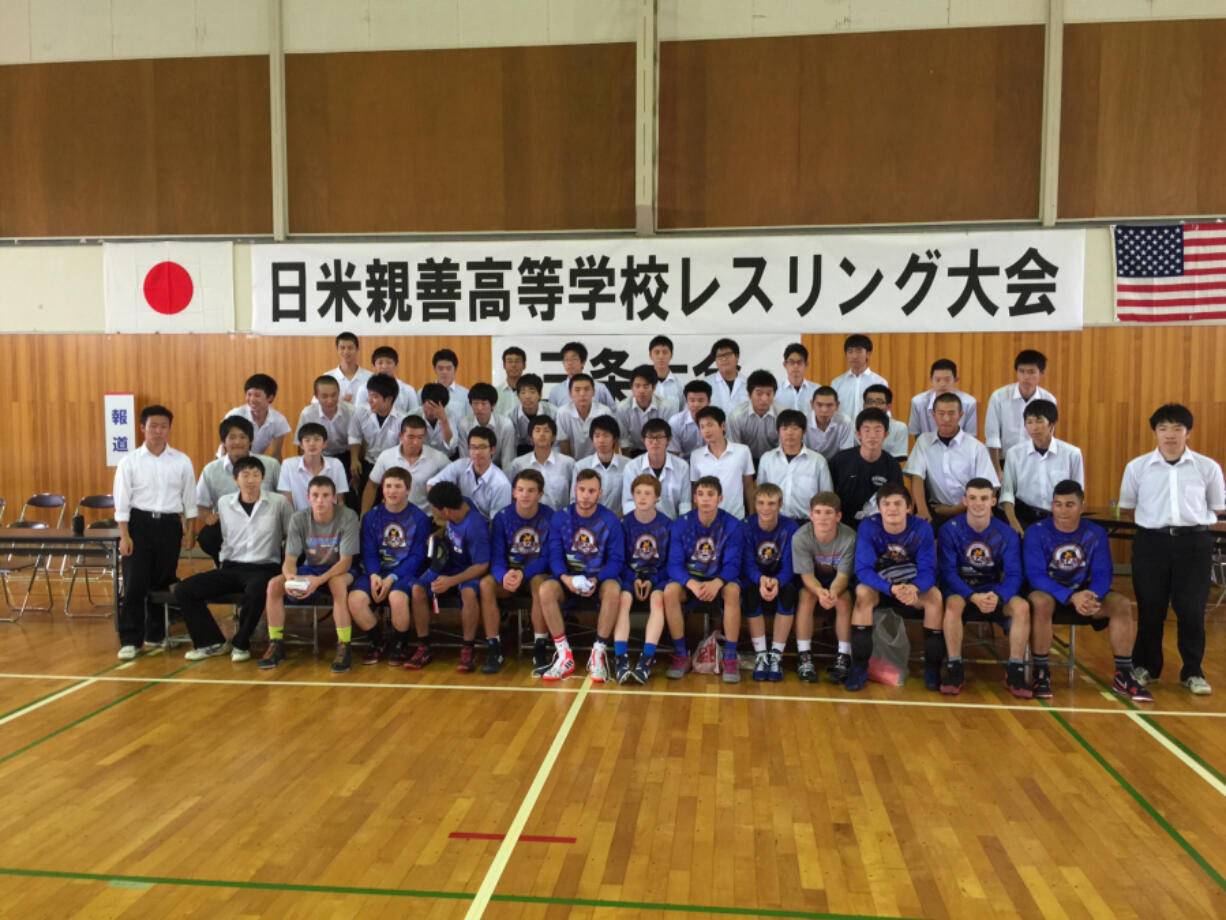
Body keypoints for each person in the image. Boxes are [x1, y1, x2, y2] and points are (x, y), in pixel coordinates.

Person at [1120, 404, 1225, 695]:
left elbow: (1217, 508)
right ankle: (1147, 667)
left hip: (1194, 544)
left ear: (1188, 432)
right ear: (1155, 432)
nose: (1170, 435)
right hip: (1151, 543)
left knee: (1191, 610)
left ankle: (1193, 670)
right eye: (1163, 428)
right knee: (1150, 608)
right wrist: (1157, 526)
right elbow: (1128, 509)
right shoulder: (1137, 467)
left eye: (1177, 428)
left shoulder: (1207, 467)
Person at [1025, 480, 1151, 702]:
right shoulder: (1036, 532)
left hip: (1084, 594)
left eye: (1070, 504)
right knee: (1040, 602)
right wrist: (1070, 596)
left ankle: (1124, 674)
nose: (1063, 510)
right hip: (1052, 593)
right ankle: (1041, 672)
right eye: (1058, 504)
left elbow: (1103, 573)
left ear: (1082, 507)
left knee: (1121, 604)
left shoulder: (1096, 533)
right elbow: (1036, 576)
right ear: (1052, 506)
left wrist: (1091, 595)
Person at [173, 456, 292, 662]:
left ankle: (241, 643)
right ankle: (212, 642)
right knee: (184, 589)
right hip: (230, 567)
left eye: (256, 474)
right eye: (245, 475)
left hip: (264, 567)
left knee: (257, 591)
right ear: (236, 479)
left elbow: (291, 534)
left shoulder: (278, 502)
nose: (251, 480)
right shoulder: (224, 503)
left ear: (263, 478)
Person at [113, 405, 196, 659]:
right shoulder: (129, 462)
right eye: (153, 426)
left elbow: (190, 501)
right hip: (139, 523)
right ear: (142, 428)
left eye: (164, 427)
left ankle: (156, 635)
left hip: (169, 525)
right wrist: (124, 535)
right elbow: (122, 503)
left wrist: (190, 532)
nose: (159, 432)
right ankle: (130, 640)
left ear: (170, 429)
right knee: (135, 582)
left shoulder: (181, 460)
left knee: (163, 582)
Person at [937, 478, 1030, 697]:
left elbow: (1015, 574)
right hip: (961, 589)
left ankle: (1015, 669)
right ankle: (954, 666)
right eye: (973, 498)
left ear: (993, 501)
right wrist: (971, 596)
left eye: (984, 498)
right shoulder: (949, 530)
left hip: (993, 589)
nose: (978, 503)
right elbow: (948, 572)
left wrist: (999, 595)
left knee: (1022, 608)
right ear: (965, 501)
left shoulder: (1006, 533)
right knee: (952, 605)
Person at [848, 483, 941, 692]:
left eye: (898, 503)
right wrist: (890, 588)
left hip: (910, 585)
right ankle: (859, 666)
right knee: (862, 594)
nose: (892, 509)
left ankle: (933, 668)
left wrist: (915, 588)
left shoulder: (922, 527)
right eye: (886, 504)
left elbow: (929, 570)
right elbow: (863, 570)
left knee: (935, 598)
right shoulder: (868, 526)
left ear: (909, 507)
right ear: (879, 508)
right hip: (881, 585)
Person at [259, 475, 359, 672]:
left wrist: (318, 581)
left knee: (337, 584)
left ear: (334, 498)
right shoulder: (299, 518)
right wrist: (291, 579)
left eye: (325, 495)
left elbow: (346, 562)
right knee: (274, 586)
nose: (320, 500)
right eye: (315, 495)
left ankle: (344, 645)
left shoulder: (348, 516)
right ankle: (276, 643)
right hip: (311, 568)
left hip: (340, 569)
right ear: (308, 497)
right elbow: (289, 559)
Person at [538, 469, 625, 682]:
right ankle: (563, 654)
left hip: (599, 579)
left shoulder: (610, 520)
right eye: (582, 490)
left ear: (600, 493)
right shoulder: (561, 518)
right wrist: (565, 579)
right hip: (569, 578)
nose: (586, 495)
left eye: (591, 491)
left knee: (614, 590)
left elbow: (616, 560)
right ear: (575, 490)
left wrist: (598, 579)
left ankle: (598, 653)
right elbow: (555, 555)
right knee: (545, 590)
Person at [348, 468, 430, 667]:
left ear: (408, 490)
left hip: (405, 572)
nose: (392, 491)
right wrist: (375, 574)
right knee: (355, 600)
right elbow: (369, 551)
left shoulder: (419, 518)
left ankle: (400, 644)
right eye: (388, 486)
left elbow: (418, 556)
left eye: (398, 486)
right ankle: (377, 641)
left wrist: (392, 577)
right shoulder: (371, 517)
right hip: (378, 570)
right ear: (382, 489)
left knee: (397, 598)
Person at [666, 476, 743, 683]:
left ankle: (730, 656)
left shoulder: (733, 525)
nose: (705, 499)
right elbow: (674, 564)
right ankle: (681, 654)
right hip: (691, 581)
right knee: (670, 592)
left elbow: (733, 565)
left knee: (733, 592)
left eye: (710, 495)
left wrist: (717, 583)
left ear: (720, 498)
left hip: (719, 580)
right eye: (701, 494)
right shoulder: (681, 525)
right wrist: (690, 583)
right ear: (695, 499)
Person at [412, 482, 491, 673]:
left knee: (469, 593)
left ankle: (468, 648)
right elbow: (449, 530)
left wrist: (451, 582)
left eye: (435, 511)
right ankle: (424, 645)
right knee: (417, 589)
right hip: (448, 564)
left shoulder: (475, 526)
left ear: (446, 511)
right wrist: (438, 534)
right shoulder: (462, 504)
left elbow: (482, 566)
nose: (434, 514)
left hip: (469, 570)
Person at [482, 470, 554, 675]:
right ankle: (494, 648)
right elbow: (496, 556)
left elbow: (548, 557)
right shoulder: (502, 517)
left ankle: (539, 649)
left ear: (540, 494)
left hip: (535, 573)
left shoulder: (550, 516)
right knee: (486, 584)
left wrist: (525, 573)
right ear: (513, 492)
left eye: (531, 491)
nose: (525, 495)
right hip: (509, 575)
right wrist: (503, 575)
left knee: (540, 585)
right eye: (521, 490)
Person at [195, 416, 280, 565]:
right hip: (228, 525)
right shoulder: (211, 470)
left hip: (264, 523)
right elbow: (199, 504)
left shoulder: (271, 465)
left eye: (243, 437)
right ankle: (222, 564)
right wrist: (208, 516)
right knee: (207, 536)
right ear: (224, 442)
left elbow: (283, 497)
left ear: (251, 440)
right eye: (232, 437)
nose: (238, 442)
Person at [903, 392, 997, 527]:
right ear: (933, 415)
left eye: (952, 413)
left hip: (970, 510)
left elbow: (988, 486)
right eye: (941, 414)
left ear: (961, 415)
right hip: (936, 510)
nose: (946, 419)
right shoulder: (924, 441)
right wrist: (922, 510)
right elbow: (916, 476)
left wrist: (954, 510)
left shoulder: (976, 447)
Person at [792, 492, 856, 683]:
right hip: (813, 581)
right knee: (806, 597)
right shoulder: (801, 537)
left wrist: (832, 594)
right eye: (818, 512)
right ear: (811, 515)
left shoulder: (849, 537)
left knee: (844, 600)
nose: (822, 518)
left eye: (828, 513)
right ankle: (804, 655)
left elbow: (843, 576)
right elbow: (807, 576)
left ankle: (844, 655)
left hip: (837, 581)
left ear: (838, 516)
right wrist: (820, 592)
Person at [615, 474, 673, 683]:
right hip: (629, 576)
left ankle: (646, 659)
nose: (642, 497)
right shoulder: (624, 524)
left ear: (657, 497)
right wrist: (633, 579)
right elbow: (618, 559)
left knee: (658, 600)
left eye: (648, 493)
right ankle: (620, 659)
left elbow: (671, 563)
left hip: (658, 578)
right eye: (638, 493)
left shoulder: (667, 525)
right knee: (623, 600)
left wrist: (653, 580)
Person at [741, 484, 798, 682]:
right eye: (761, 503)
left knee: (789, 594)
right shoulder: (746, 525)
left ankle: (776, 655)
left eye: (771, 503)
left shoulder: (790, 527)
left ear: (780, 504)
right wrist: (761, 580)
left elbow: (791, 564)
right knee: (749, 595)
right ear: (755, 504)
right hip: (754, 578)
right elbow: (747, 563)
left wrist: (777, 581)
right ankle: (761, 655)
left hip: (781, 577)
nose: (766, 508)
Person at [999, 399, 1084, 534]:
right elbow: (1007, 493)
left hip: (1058, 519)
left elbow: (1078, 494)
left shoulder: (1072, 454)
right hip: (1024, 518)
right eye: (1029, 422)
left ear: (1051, 423)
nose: (1034, 427)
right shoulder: (1014, 453)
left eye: (1039, 421)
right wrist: (1013, 522)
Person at [984, 348, 1057, 479]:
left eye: (1031, 372)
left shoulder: (1048, 399)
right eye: (1021, 371)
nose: (1026, 377)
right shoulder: (999, 397)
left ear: (1041, 373)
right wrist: (997, 471)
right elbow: (992, 437)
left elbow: (1048, 436)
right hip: (1004, 461)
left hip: (1035, 461)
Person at [829, 408, 904, 529]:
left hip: (878, 527)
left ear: (886, 434)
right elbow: (829, 495)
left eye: (878, 430)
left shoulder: (892, 465)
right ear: (858, 434)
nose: (872, 436)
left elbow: (896, 500)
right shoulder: (839, 461)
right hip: (841, 526)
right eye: (867, 430)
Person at [756, 409, 831, 523]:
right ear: (778, 431)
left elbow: (827, 496)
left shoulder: (818, 461)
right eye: (784, 428)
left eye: (795, 428)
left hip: (807, 522)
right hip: (774, 521)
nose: (789, 433)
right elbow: (761, 493)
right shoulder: (767, 459)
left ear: (804, 431)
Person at [364, 415, 450, 514]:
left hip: (425, 517)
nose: (415, 442)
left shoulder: (438, 458)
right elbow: (372, 485)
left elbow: (454, 482)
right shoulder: (386, 456)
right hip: (392, 515)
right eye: (411, 437)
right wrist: (364, 515)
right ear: (400, 436)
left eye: (420, 437)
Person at [427, 427, 512, 521]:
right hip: (456, 520)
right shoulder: (460, 465)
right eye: (473, 447)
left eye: (482, 447)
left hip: (483, 528)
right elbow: (431, 485)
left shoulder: (501, 484)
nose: (477, 452)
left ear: (492, 450)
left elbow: (497, 523)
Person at [689, 406, 755, 520]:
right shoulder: (696, 455)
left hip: (736, 517)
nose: (706, 430)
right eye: (702, 427)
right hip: (707, 518)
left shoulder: (742, 451)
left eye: (710, 425)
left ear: (723, 426)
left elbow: (748, 485)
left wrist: (753, 515)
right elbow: (694, 489)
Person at [347, 373, 404, 501]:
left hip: (392, 467)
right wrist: (354, 460)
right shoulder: (361, 412)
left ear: (388, 399)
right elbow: (354, 436)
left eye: (375, 397)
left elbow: (401, 451)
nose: (369, 400)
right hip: (369, 462)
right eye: (369, 395)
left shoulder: (402, 420)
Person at [620, 418, 691, 519]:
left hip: (673, 524)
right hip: (641, 524)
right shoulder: (632, 467)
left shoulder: (682, 466)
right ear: (644, 440)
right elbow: (628, 502)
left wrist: (681, 526)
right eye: (650, 438)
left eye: (659, 437)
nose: (655, 442)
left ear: (668, 440)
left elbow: (685, 503)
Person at [278, 422, 348, 511]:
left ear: (324, 444)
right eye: (307, 440)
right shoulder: (288, 465)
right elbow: (287, 501)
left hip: (329, 519)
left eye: (317, 439)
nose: (312, 444)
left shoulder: (336, 465)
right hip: (298, 520)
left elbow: (340, 500)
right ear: (301, 445)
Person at [508, 415, 574, 511]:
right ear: (531, 437)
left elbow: (573, 496)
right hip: (529, 518)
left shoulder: (568, 463)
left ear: (553, 437)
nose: (542, 434)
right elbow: (512, 496)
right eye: (537, 431)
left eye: (546, 431)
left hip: (560, 518)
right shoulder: (518, 464)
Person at [220, 373, 291, 460]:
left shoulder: (279, 420)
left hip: (254, 463)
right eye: (249, 394)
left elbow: (276, 454)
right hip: (229, 459)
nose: (252, 399)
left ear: (270, 398)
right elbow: (225, 447)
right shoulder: (235, 414)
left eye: (257, 395)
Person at [296, 375, 356, 468]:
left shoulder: (351, 411)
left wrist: (355, 461)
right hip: (318, 455)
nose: (330, 400)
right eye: (325, 396)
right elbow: (301, 443)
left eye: (334, 395)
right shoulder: (308, 413)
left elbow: (357, 439)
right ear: (316, 396)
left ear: (339, 393)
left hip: (346, 455)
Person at [908, 359, 978, 437]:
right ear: (931, 380)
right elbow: (916, 434)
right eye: (938, 380)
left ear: (955, 380)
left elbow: (970, 435)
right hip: (927, 447)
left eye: (947, 380)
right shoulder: (918, 402)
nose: (942, 384)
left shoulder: (969, 403)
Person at [572, 416, 627, 514]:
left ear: (614, 438)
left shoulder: (628, 465)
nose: (601, 440)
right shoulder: (581, 466)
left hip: (618, 522)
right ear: (592, 438)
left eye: (606, 436)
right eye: (597, 436)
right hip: (588, 521)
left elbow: (630, 499)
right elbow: (574, 499)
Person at [727, 370, 785, 462]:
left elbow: (783, 448)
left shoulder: (782, 414)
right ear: (749, 395)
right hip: (746, 460)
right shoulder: (737, 416)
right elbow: (736, 449)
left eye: (769, 394)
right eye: (759, 393)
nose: (764, 399)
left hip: (774, 460)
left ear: (774, 394)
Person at [456, 382, 516, 470]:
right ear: (470, 404)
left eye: (484, 403)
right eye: (475, 403)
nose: (479, 408)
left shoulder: (505, 424)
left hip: (498, 468)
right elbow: (465, 459)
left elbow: (508, 459)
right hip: (473, 469)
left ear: (493, 405)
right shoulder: (464, 424)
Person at [556, 373, 614, 460]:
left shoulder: (604, 412)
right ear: (570, 393)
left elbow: (610, 443)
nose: (582, 394)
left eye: (587, 389)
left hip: (598, 461)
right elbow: (563, 444)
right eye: (577, 390)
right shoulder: (563, 412)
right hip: (573, 462)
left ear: (593, 392)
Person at [830, 334, 888, 421]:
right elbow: (832, 411)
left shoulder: (880, 382)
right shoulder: (837, 383)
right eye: (850, 352)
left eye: (859, 351)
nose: (854, 356)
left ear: (868, 354)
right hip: (843, 433)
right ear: (846, 355)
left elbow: (885, 412)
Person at [615, 365, 670, 455]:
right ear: (632, 387)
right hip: (633, 451)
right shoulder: (623, 408)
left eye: (646, 386)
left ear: (654, 387)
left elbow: (669, 438)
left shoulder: (666, 407)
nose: (641, 390)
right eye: (637, 386)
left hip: (659, 450)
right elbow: (624, 440)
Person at [547, 341, 616, 410]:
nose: (569, 363)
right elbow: (552, 417)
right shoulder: (556, 391)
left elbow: (613, 413)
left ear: (583, 362)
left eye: (574, 359)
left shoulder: (600, 388)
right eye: (566, 360)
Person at [357, 345, 420, 415]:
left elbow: (415, 416)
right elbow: (359, 414)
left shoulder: (408, 390)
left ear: (396, 365)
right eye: (380, 363)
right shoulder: (363, 389)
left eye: (389, 363)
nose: (384, 366)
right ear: (374, 365)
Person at [507, 373, 555, 454]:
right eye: (523, 393)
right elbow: (510, 447)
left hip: (547, 452)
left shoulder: (553, 413)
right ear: (518, 396)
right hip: (520, 455)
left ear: (540, 395)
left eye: (532, 392)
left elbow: (557, 444)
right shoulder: (510, 416)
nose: (527, 396)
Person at [804, 386, 855, 460]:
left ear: (837, 405)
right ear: (812, 404)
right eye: (819, 405)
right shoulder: (803, 420)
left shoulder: (845, 422)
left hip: (836, 464)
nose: (824, 410)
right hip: (809, 463)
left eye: (829, 405)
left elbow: (846, 453)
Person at [861, 384, 909, 461]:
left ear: (888, 406)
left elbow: (898, 460)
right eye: (869, 402)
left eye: (879, 402)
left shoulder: (899, 428)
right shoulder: (853, 427)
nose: (873, 405)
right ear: (864, 405)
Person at [322, 331, 372, 404]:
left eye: (350, 348)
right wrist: (338, 404)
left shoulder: (370, 377)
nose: (346, 352)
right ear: (338, 350)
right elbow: (317, 406)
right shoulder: (327, 378)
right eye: (342, 348)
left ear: (357, 350)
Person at [666, 380, 711, 459]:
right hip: (683, 464)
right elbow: (673, 454)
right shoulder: (675, 422)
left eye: (701, 400)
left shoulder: (719, 420)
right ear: (686, 401)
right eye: (692, 400)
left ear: (708, 402)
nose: (696, 405)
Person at [413, 382, 459, 457]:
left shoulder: (451, 416)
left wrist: (443, 420)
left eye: (433, 409)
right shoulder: (414, 415)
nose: (430, 413)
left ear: (443, 407)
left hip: (447, 458)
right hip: (421, 457)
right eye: (427, 408)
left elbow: (451, 445)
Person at [704, 337, 749, 411]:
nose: (724, 359)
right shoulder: (705, 384)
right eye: (719, 356)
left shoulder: (749, 385)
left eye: (727, 354)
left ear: (737, 357)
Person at [430, 348, 469, 424]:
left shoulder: (465, 394)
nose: (444, 372)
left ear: (455, 369)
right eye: (440, 368)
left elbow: (469, 421)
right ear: (434, 369)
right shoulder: (423, 392)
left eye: (448, 368)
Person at [777, 342, 820, 412]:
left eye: (799, 362)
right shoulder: (776, 391)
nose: (795, 366)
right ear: (785, 365)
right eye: (791, 362)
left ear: (806, 364)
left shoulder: (816, 390)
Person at [648, 335, 683, 413]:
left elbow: (683, 412)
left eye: (665, 352)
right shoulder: (644, 384)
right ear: (650, 355)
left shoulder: (679, 385)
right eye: (657, 352)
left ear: (671, 355)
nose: (661, 356)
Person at [496, 345, 527, 415]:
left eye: (517, 361)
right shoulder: (496, 393)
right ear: (504, 365)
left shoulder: (530, 394)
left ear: (524, 365)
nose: (513, 365)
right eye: (510, 361)